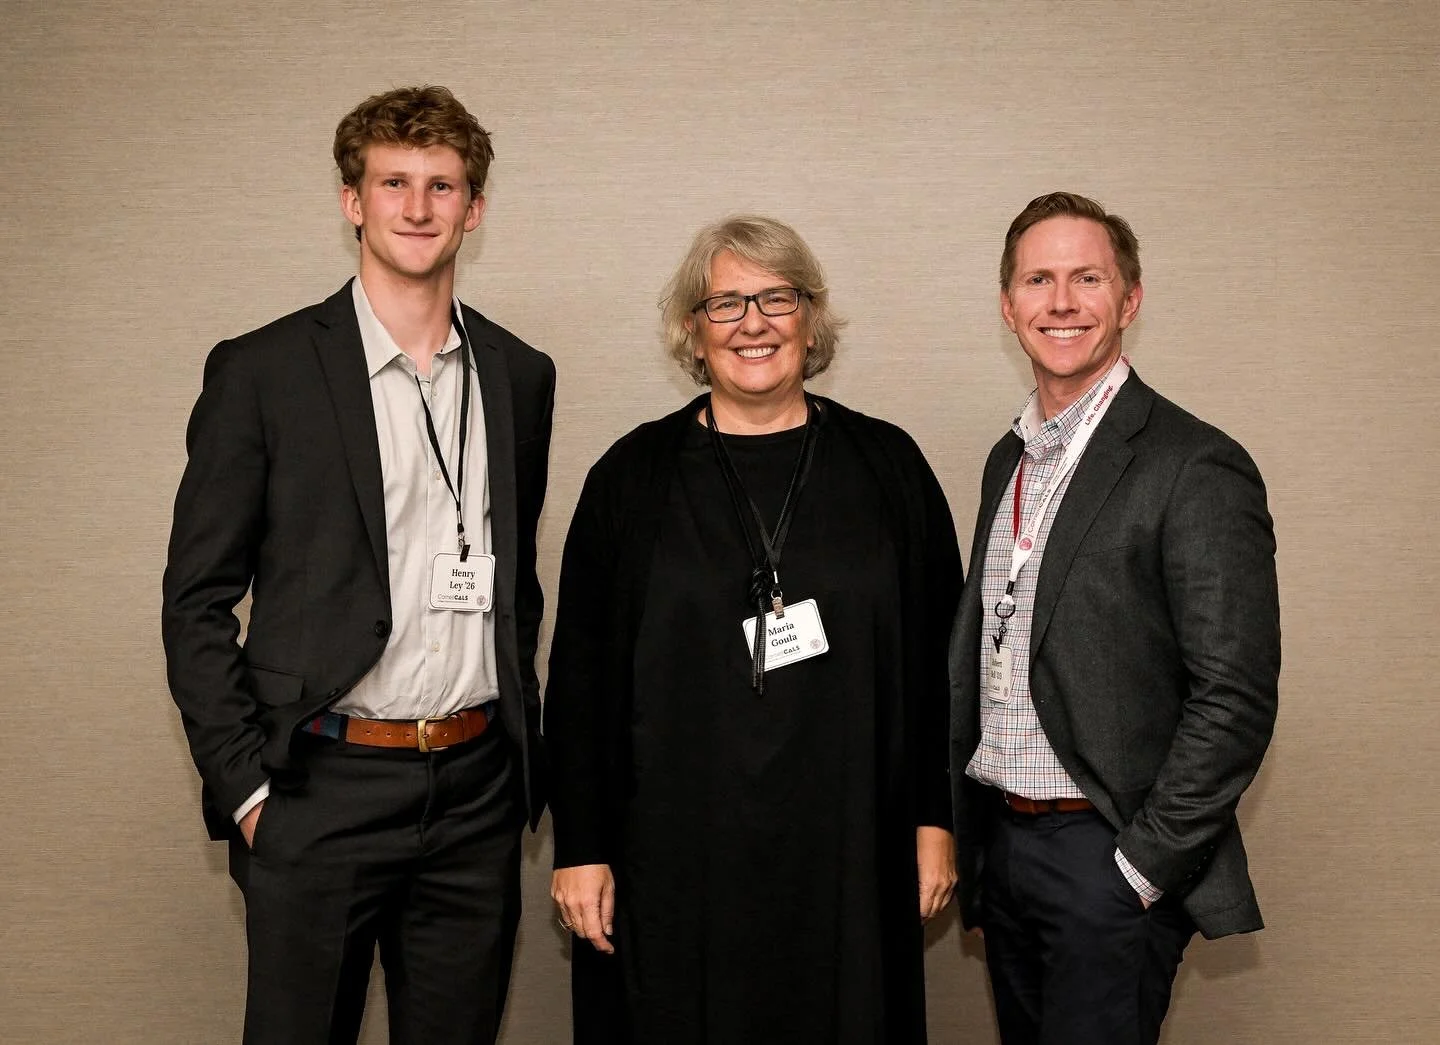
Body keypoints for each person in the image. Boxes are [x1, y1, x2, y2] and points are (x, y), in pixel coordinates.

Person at [161, 85, 555, 1045]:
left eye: (442, 185)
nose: (418, 207)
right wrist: (249, 793)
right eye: (393, 183)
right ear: (353, 201)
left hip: (473, 795)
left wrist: (513, 759)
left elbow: (514, 586)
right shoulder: (263, 371)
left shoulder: (519, 375)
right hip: (319, 787)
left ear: (476, 208)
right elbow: (196, 600)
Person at [545, 215, 963, 1044]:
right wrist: (580, 844)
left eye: (778, 297)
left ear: (811, 320)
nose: (753, 322)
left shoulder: (890, 468)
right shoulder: (630, 480)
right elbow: (581, 676)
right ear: (692, 334)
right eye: (725, 302)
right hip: (669, 858)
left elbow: (939, 669)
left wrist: (937, 819)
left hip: (852, 850)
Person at [948, 191, 1280, 1045]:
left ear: (1129, 299)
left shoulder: (1194, 464)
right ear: (1008, 304)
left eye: (1086, 278)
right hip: (1009, 852)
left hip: (1106, 856)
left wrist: (1138, 868)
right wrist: (984, 856)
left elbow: (1234, 695)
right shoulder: (1008, 459)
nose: (1061, 301)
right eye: (1038, 279)